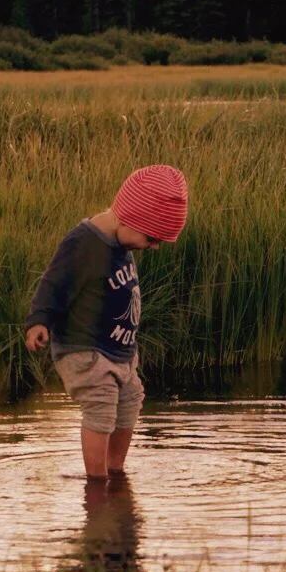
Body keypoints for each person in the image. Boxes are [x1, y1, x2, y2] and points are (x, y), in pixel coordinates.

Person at [24, 166, 189, 479]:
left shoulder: (122, 240)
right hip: (85, 350)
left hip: (120, 352)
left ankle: (116, 473)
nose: (154, 246)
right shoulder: (83, 242)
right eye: (152, 238)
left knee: (130, 402)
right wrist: (39, 322)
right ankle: (97, 483)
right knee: (101, 407)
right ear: (130, 218)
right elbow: (54, 282)